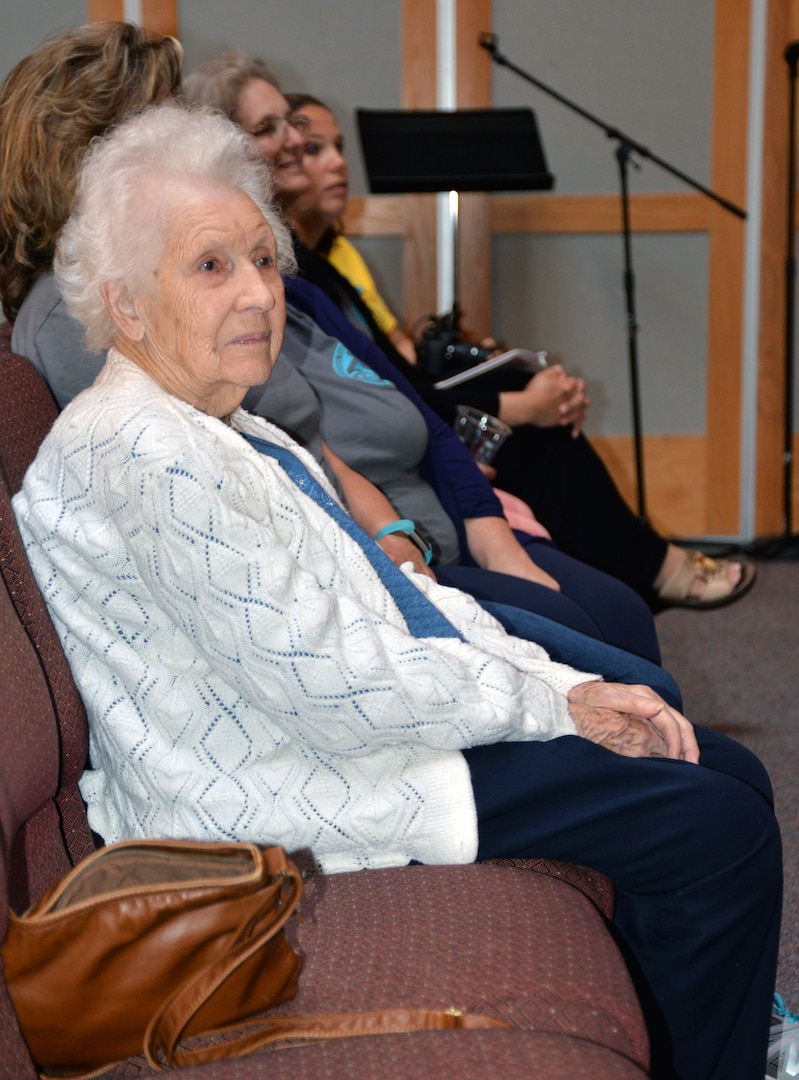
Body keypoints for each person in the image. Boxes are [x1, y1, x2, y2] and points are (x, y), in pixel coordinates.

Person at [12, 101, 781, 1080]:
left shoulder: (224, 426)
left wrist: (544, 680)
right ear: (124, 303)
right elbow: (331, 681)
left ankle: (705, 1031)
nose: (258, 293)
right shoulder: (146, 451)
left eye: (262, 258)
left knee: (719, 774)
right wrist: (559, 703)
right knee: (714, 826)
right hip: (282, 795)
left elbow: (394, 608)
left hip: (339, 737)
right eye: (212, 266)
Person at [0, 30, 665, 665]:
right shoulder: (81, 311)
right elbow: (237, 510)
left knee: (616, 624)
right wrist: (399, 571)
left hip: (384, 546)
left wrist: (412, 536)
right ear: (97, 153)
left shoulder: (200, 276)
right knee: (605, 646)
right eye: (168, 114)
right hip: (329, 597)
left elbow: (313, 441)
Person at [281, 90, 756, 612]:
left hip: (408, 405)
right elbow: (394, 388)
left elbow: (401, 360)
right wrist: (525, 406)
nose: (336, 162)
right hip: (389, 434)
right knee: (536, 429)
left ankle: (633, 567)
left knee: (521, 384)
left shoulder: (336, 255)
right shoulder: (301, 274)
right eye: (311, 148)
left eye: (336, 147)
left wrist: (478, 363)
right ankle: (646, 568)